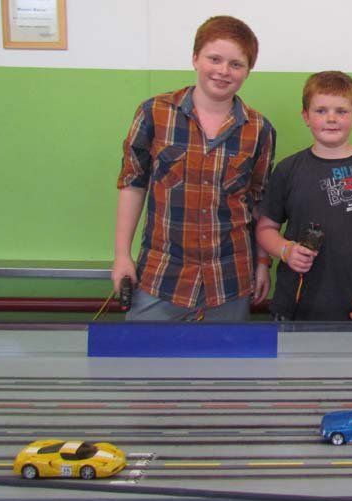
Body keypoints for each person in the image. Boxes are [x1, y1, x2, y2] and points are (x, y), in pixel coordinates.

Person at [113, 16, 276, 321]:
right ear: (195, 58)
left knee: (227, 354)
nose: (223, 71)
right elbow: (133, 184)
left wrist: (263, 263)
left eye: (236, 64)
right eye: (214, 59)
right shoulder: (154, 113)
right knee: (143, 352)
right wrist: (122, 255)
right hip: (161, 277)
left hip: (230, 280)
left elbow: (259, 203)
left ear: (248, 71)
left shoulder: (260, 130)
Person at [255, 71, 352, 321]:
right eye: (321, 110)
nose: (331, 119)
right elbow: (265, 229)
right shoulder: (288, 170)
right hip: (294, 308)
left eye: (341, 111)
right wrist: (285, 250)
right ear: (306, 116)